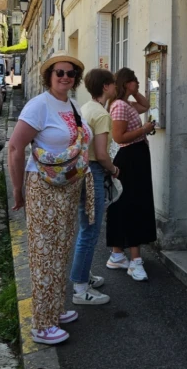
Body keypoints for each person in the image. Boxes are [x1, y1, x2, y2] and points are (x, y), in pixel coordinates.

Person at [8, 50, 92, 345]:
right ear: (49, 76)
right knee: (44, 255)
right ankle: (41, 325)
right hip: (43, 188)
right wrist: (17, 190)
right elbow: (15, 148)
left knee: (61, 251)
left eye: (71, 73)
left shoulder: (71, 105)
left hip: (67, 190)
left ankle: (55, 309)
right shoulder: (38, 106)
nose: (66, 77)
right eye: (60, 73)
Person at [70, 68, 119, 305]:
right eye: (112, 84)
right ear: (106, 87)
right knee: (90, 230)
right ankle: (80, 289)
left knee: (85, 227)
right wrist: (114, 169)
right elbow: (101, 154)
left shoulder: (85, 108)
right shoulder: (101, 114)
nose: (115, 87)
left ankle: (83, 276)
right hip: (94, 172)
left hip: (81, 172)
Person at [106, 67, 156, 280]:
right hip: (130, 159)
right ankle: (135, 261)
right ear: (126, 82)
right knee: (134, 205)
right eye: (134, 81)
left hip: (136, 157)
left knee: (125, 204)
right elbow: (119, 137)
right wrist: (144, 130)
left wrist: (134, 92)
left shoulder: (126, 103)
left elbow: (146, 105)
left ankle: (117, 254)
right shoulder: (119, 106)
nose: (137, 83)